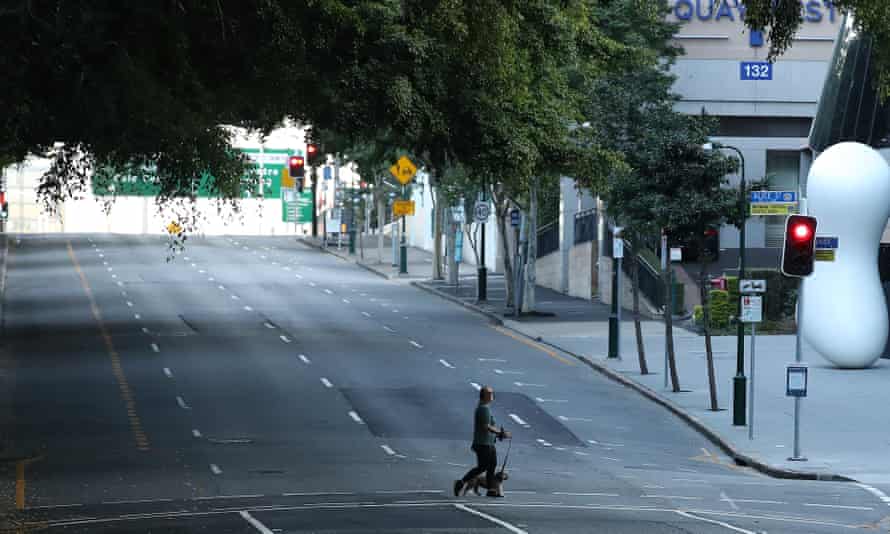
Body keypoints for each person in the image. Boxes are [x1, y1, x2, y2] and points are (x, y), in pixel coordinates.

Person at [454, 385, 510, 497]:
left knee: (492, 465)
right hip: (483, 443)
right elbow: (486, 426)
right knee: (483, 466)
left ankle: (491, 489)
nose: (492, 395)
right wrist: (500, 433)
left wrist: (498, 434)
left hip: (488, 442)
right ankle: (461, 482)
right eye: (490, 394)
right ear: (485, 396)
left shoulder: (485, 408)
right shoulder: (483, 409)